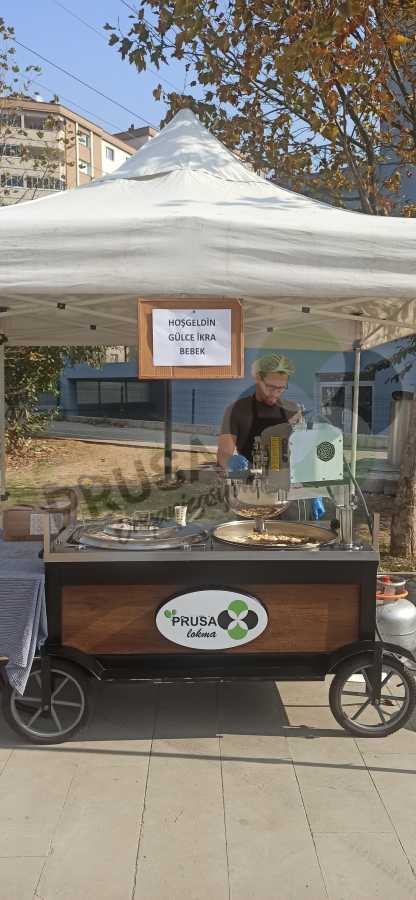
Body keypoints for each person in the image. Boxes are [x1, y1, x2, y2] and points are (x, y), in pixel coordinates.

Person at [217, 353, 301, 469]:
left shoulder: (292, 410)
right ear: (258, 378)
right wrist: (230, 462)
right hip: (252, 475)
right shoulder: (236, 411)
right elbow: (223, 454)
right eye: (270, 387)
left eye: (281, 388)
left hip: (288, 475)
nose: (275, 393)